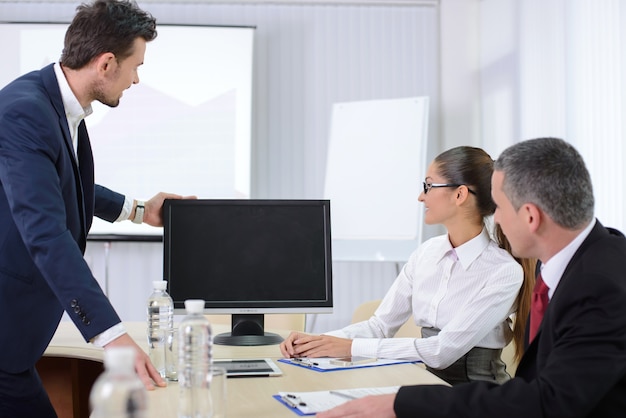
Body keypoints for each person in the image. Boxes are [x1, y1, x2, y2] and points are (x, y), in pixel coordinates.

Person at [317, 137, 626, 418]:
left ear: (530, 217)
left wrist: (400, 403)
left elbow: (551, 402)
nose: (497, 219)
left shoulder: (599, 285)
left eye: (500, 208)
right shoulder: (588, 263)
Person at [0, 1, 193, 416]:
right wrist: (112, 335)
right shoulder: (24, 112)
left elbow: (66, 185)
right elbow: (46, 233)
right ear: (106, 63)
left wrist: (141, 211)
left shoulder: (55, 104)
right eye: (135, 66)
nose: (137, 79)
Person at [280, 146, 536, 385]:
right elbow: (379, 326)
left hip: (480, 396)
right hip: (426, 384)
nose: (421, 196)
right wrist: (317, 342)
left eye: (428, 186)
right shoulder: (425, 254)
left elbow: (441, 352)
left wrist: (349, 348)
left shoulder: (503, 272)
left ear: (459, 194)